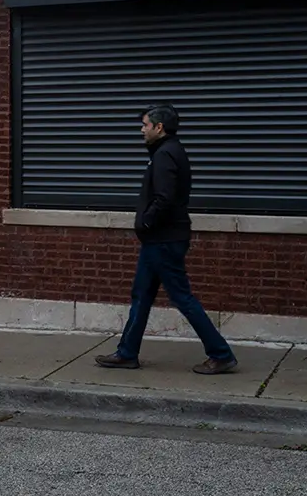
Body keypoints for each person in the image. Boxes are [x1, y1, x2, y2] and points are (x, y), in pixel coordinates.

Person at [95, 104, 238, 375]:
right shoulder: (168, 152)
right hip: (159, 240)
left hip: (163, 240)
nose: (142, 129)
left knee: (182, 297)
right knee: (141, 295)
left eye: (145, 124)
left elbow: (165, 198)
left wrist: (147, 221)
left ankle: (221, 354)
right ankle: (127, 353)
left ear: (159, 127)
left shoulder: (165, 155)